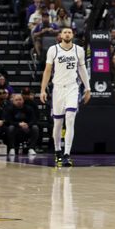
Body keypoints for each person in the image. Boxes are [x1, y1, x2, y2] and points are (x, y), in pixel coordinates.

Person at [40, 28, 91, 167]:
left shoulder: (78, 50)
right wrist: (43, 89)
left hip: (72, 88)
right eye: (65, 32)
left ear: (73, 35)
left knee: (70, 119)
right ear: (60, 35)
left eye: (69, 32)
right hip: (57, 89)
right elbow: (47, 70)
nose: (67, 34)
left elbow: (82, 69)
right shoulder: (53, 50)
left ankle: (67, 154)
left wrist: (88, 88)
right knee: (57, 124)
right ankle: (57, 152)